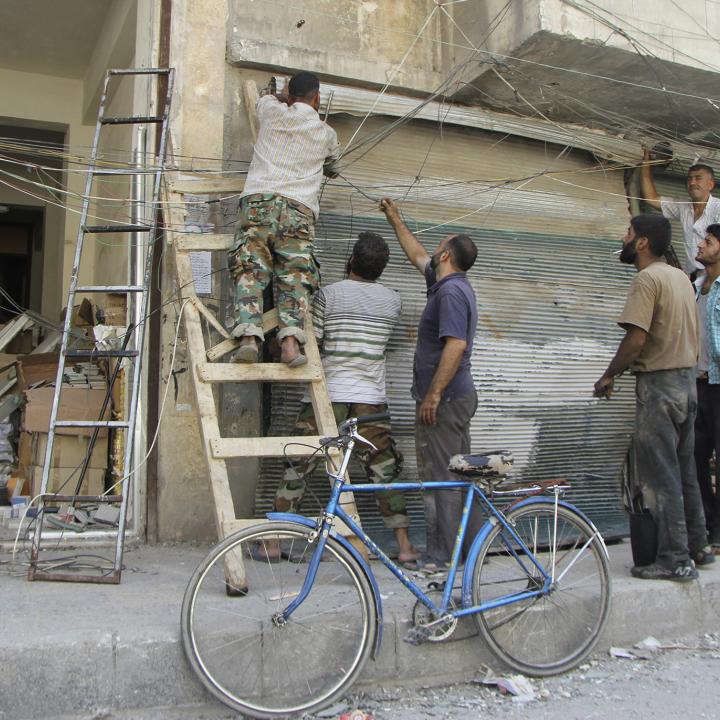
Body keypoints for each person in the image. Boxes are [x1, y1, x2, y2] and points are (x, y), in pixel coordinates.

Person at [272, 232, 420, 563]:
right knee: (384, 470)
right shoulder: (392, 301)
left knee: (300, 462)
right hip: (371, 399)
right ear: (382, 268)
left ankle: (273, 540)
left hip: (329, 396)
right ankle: (406, 546)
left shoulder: (328, 295)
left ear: (351, 260)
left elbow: (317, 340)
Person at [594, 214, 712, 581]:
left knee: (661, 475)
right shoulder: (680, 277)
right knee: (686, 471)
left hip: (660, 387)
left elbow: (637, 339)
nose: (624, 237)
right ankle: (698, 546)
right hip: (686, 384)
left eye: (628, 232)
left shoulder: (647, 279)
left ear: (642, 242)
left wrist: (609, 374)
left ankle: (674, 559)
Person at [380, 197, 478, 572]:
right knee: (456, 476)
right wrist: (395, 218)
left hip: (446, 400)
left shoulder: (451, 293)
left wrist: (433, 393)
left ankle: (443, 557)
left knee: (443, 480)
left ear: (447, 256)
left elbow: (456, 345)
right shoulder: (446, 282)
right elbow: (417, 255)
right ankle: (465, 552)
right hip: (452, 398)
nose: (434, 250)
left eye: (440, 246)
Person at [227, 71, 340, 367]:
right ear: (317, 97)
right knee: (295, 276)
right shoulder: (326, 133)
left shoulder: (271, 111)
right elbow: (333, 165)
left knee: (250, 268)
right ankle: (290, 345)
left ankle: (249, 339)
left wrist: (281, 96)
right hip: (298, 209)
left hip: (259, 201)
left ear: (289, 94)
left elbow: (266, 99)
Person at [639, 147, 720, 276]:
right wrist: (646, 162)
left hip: (715, 276)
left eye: (698, 178)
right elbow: (651, 198)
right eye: (689, 178)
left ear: (710, 185)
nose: (692, 182)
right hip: (693, 278)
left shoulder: (718, 208)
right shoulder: (683, 206)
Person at [694, 224, 720, 547]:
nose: (701, 245)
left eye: (709, 241)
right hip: (697, 383)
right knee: (695, 456)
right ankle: (709, 522)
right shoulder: (697, 285)